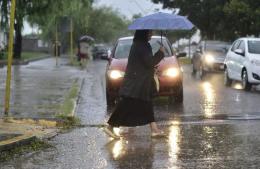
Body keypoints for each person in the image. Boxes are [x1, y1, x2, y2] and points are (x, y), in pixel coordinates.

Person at [103, 30, 166, 139]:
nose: (151, 34)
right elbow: (149, 62)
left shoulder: (139, 44)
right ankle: (110, 126)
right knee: (127, 103)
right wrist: (160, 53)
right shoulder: (142, 46)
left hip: (142, 81)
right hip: (137, 83)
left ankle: (154, 130)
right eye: (149, 33)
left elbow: (144, 63)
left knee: (147, 103)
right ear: (144, 34)